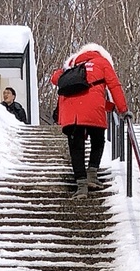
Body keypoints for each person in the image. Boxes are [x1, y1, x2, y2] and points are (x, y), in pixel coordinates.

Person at [49, 42, 128, 190]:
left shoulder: (72, 63)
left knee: (76, 146)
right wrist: (123, 109)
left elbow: (55, 79)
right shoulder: (102, 62)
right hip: (94, 109)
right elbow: (114, 85)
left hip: (71, 112)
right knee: (98, 140)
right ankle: (92, 175)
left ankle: (81, 185)